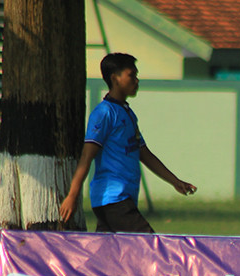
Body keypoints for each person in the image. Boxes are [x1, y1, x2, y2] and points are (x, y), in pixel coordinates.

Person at [59, 53, 196, 232]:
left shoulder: (127, 113)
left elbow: (143, 153)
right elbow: (87, 155)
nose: (136, 81)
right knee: (149, 245)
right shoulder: (104, 113)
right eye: (132, 75)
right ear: (115, 79)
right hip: (113, 199)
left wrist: (174, 181)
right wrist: (72, 196)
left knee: (110, 256)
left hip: (122, 199)